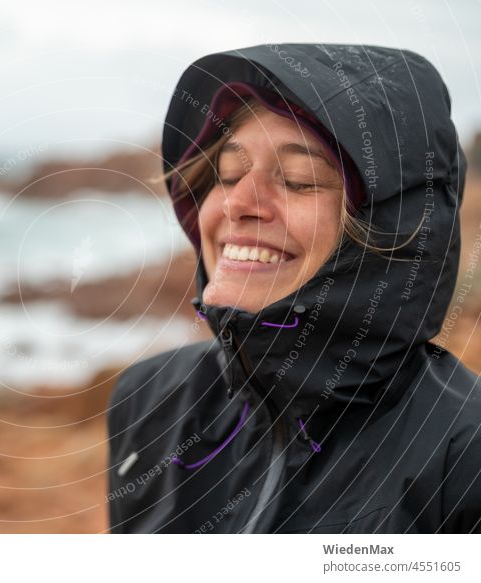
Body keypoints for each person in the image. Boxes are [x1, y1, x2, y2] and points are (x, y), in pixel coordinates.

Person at [106, 43, 481, 533]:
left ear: (388, 226)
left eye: (300, 180)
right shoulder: (149, 398)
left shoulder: (464, 453)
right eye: (230, 174)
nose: (240, 202)